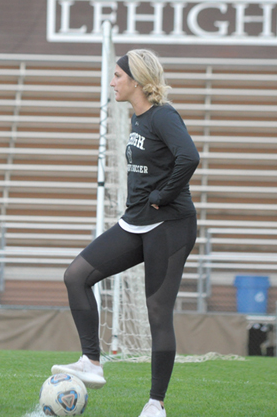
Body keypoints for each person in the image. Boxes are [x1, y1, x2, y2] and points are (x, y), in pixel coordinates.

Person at [51, 49, 199, 417]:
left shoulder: (163, 115)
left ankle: (155, 403)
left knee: (157, 313)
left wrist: (163, 196)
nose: (112, 82)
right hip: (135, 221)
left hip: (171, 224)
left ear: (136, 80)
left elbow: (190, 156)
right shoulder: (137, 119)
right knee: (77, 275)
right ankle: (91, 362)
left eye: (117, 76)